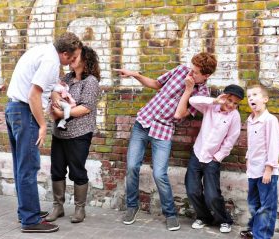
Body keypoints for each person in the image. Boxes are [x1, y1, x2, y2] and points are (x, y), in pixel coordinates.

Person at [114, 52, 217, 231]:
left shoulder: (203, 94)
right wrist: (135, 75)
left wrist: (187, 90)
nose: (190, 74)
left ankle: (170, 213)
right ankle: (132, 206)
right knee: (131, 167)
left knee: (159, 174)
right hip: (143, 122)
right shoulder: (180, 70)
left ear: (206, 76)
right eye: (191, 69)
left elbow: (179, 115)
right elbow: (156, 84)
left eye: (195, 72)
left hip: (163, 130)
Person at [5, 32, 82, 233]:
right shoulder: (50, 60)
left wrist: (54, 94)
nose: (72, 62)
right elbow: (33, 95)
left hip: (13, 109)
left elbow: (42, 86)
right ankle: (30, 221)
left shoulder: (42, 51)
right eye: (72, 58)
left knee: (21, 166)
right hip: (24, 112)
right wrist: (42, 124)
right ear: (64, 53)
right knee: (29, 166)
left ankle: (27, 212)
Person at [45, 46, 101, 223]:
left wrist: (63, 114)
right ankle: (58, 207)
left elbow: (86, 107)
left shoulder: (91, 81)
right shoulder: (67, 78)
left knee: (77, 171)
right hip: (59, 133)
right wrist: (55, 98)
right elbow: (54, 91)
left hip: (79, 133)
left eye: (76, 56)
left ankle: (79, 209)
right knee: (57, 170)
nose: (72, 59)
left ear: (85, 59)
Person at [178, 84, 244, 233]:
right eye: (229, 100)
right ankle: (204, 217)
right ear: (223, 96)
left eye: (235, 103)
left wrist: (218, 156)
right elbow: (193, 100)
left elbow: (231, 139)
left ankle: (224, 220)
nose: (231, 105)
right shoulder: (210, 107)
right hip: (197, 154)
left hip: (212, 159)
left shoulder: (234, 116)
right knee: (192, 190)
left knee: (212, 195)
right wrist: (214, 101)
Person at [240, 85, 279, 239]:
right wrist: (248, 160)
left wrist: (269, 169)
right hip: (253, 170)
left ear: (265, 99)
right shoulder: (251, 120)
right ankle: (253, 230)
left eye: (255, 95)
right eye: (249, 96)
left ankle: (262, 235)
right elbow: (252, 144)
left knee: (266, 206)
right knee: (253, 203)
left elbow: (273, 145)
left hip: (266, 172)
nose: (251, 98)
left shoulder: (270, 120)